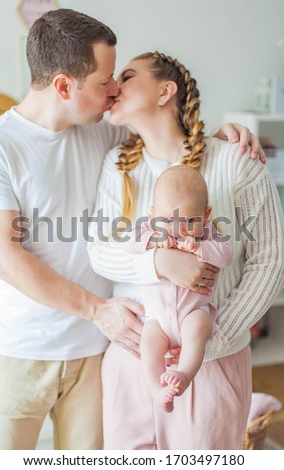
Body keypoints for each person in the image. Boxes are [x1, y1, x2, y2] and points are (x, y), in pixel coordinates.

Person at [0, 8, 266, 450]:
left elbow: (175, 145)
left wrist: (232, 134)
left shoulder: (103, 132)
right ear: (63, 87)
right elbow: (3, 257)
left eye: (121, 77)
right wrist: (116, 294)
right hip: (30, 345)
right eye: (107, 80)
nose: (114, 90)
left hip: (99, 349)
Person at [87, 51, 284, 449]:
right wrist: (159, 263)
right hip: (133, 357)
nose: (113, 88)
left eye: (126, 77)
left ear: (166, 90)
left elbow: (269, 262)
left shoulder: (236, 161)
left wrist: (211, 337)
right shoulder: (117, 165)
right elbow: (100, 251)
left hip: (212, 360)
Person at [123, 165, 232, 413]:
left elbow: (226, 255)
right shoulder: (149, 229)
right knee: (148, 346)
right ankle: (157, 390)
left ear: (206, 215)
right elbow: (127, 241)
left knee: (196, 331)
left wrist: (200, 249)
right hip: (157, 319)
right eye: (167, 221)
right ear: (153, 215)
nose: (178, 229)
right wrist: (153, 241)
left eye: (190, 221)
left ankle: (184, 373)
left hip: (193, 312)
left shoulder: (208, 235)